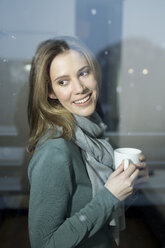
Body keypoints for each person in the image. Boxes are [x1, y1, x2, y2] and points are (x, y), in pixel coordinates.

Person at [27, 36, 148, 248]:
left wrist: (129, 186)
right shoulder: (56, 150)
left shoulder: (91, 135)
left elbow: (97, 216)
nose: (80, 88)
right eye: (63, 82)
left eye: (83, 73)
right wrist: (109, 195)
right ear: (50, 92)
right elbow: (44, 244)